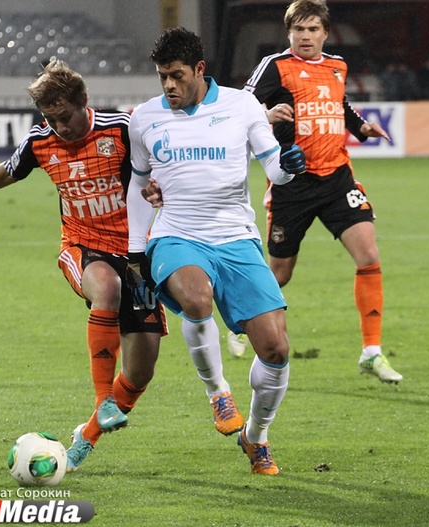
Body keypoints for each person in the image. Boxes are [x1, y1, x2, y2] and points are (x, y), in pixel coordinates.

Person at [0, 59, 167, 471]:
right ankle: (102, 398)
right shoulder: (40, 141)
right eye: (50, 119)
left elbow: (159, 168)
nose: (59, 127)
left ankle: (87, 436)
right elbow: (10, 170)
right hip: (82, 247)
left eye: (65, 117)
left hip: (136, 252)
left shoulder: (121, 129)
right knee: (107, 288)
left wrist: (159, 188)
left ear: (84, 102)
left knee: (140, 373)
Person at [126, 27, 306, 475]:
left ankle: (256, 436)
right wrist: (135, 253)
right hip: (177, 233)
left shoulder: (242, 106)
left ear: (199, 69)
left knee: (276, 348)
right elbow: (137, 184)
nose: (169, 85)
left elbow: (273, 167)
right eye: (162, 76)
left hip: (236, 238)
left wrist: (288, 167)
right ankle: (218, 392)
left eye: (177, 75)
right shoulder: (145, 118)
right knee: (196, 297)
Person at [238, 0, 403, 383]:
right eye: (299, 29)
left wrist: (361, 127)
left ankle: (372, 352)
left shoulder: (337, 66)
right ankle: (242, 316)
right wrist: (265, 115)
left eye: (312, 29)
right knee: (280, 274)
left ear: (325, 33)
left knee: (369, 255)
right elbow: (239, 107)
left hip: (336, 179)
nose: (305, 36)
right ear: (289, 33)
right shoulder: (275, 66)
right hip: (292, 184)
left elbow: (340, 104)